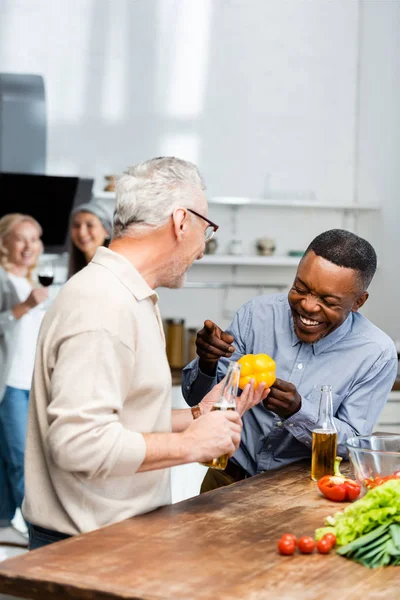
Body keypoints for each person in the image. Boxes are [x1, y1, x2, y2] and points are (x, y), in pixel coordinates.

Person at [23, 157, 268, 550]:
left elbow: (119, 414)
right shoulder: (103, 304)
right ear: (181, 222)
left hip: (110, 538)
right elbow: (79, 443)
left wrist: (194, 417)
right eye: (207, 228)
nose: (202, 249)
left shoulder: (129, 295)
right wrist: (192, 445)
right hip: (84, 548)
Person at [182, 229, 398, 492]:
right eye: (300, 288)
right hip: (225, 481)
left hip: (303, 491)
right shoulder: (256, 315)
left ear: (358, 302)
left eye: (328, 301)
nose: (308, 305)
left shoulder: (376, 353)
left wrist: (298, 411)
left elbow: (352, 441)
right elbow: (198, 403)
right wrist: (207, 363)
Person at [0, 214, 48, 547]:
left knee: (9, 457)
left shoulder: (33, 283)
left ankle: (3, 522)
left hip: (33, 383)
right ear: (4, 242)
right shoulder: (3, 280)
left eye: (34, 238)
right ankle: (42, 535)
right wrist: (26, 306)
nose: (28, 246)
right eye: (20, 238)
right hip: (10, 384)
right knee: (23, 460)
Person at [67, 199, 114, 278]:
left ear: (106, 231)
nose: (82, 233)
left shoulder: (112, 269)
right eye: (76, 225)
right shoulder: (76, 267)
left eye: (90, 225)